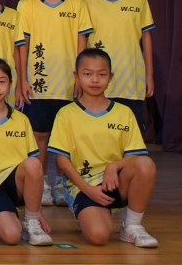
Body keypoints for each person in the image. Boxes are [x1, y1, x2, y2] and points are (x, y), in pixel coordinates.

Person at [49, 48, 159, 247]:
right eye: (87, 74)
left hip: (115, 182)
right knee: (99, 236)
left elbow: (135, 154)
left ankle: (131, 226)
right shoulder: (66, 114)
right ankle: (92, 213)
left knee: (146, 164)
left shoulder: (124, 113)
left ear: (111, 77)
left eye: (101, 74)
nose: (95, 80)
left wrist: (114, 166)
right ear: (77, 76)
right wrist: (88, 190)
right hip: (85, 187)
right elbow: (62, 161)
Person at [16, 0, 94, 208]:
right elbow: (22, 45)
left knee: (65, 138)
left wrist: (81, 79)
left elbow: (82, 44)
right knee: (39, 136)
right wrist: (22, 79)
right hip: (37, 85)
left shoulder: (77, 3)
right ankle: (41, 184)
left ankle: (63, 183)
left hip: (69, 84)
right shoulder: (26, 4)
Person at [0, 57, 52, 246]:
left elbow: (34, 172)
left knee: (33, 163)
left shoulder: (21, 119)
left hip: (16, 183)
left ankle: (31, 223)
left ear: (11, 84)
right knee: (12, 236)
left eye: (2, 81)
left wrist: (38, 212)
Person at [84, 0, 156, 133]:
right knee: (99, 132)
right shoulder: (87, 1)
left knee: (129, 132)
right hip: (97, 78)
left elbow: (146, 38)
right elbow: (80, 39)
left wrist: (149, 75)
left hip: (131, 77)